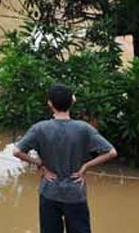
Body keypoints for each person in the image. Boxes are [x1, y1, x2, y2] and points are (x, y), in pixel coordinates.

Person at [13, 83, 118, 233]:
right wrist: (84, 167)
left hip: (49, 190)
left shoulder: (39, 128)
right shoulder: (84, 128)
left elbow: (17, 152)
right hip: (75, 191)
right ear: (73, 100)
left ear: (50, 104)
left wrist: (40, 165)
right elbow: (111, 152)